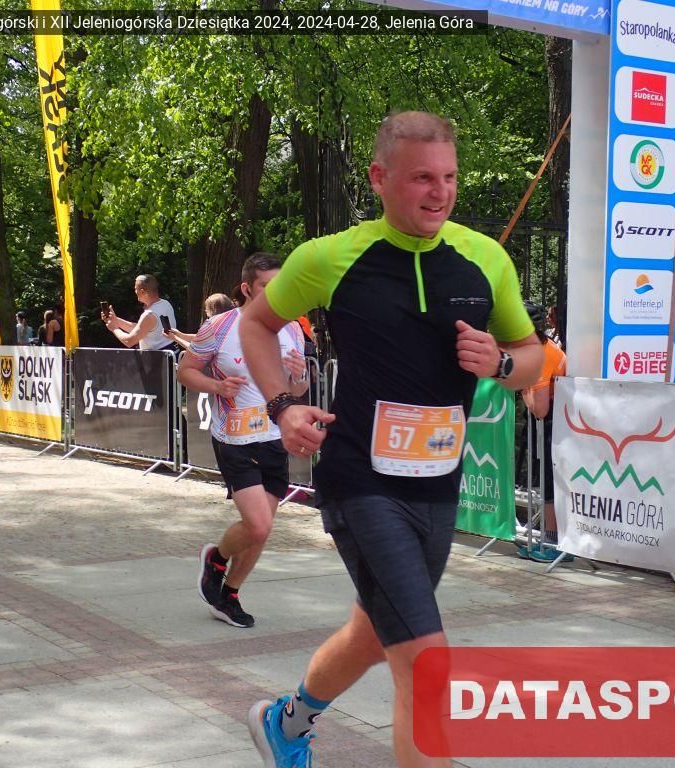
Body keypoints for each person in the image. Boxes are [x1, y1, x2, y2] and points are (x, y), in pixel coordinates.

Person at [238, 111, 543, 768]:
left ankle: (286, 724)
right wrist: (283, 406)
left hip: (438, 483)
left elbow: (532, 357)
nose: (440, 192)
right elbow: (255, 325)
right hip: (359, 480)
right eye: (422, 178)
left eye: (449, 177)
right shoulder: (329, 256)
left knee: (375, 632)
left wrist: (500, 363)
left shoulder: (484, 259)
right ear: (380, 178)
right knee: (425, 662)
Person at [178, 254, 308, 628]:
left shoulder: (291, 328)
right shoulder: (220, 326)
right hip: (235, 438)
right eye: (267, 286)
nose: (276, 292)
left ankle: (229, 595)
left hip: (274, 437)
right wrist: (217, 386)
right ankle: (216, 559)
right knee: (259, 525)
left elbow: (297, 390)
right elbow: (185, 371)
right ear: (247, 288)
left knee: (260, 530)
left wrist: (300, 377)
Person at [517, 301, 569, 564]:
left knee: (550, 482)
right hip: (553, 422)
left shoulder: (542, 355)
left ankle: (554, 542)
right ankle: (551, 540)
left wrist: (524, 386)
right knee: (547, 481)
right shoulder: (540, 349)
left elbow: (539, 409)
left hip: (553, 424)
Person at [103, 274, 177, 351]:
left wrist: (114, 328)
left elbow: (129, 341)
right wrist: (115, 320)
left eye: (136, 289)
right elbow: (142, 328)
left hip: (159, 357)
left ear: (142, 292)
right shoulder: (166, 304)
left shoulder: (149, 315)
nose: (135, 291)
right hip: (172, 353)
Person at [165, 292, 235, 349]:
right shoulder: (233, 323)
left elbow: (196, 349)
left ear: (213, 310)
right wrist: (180, 335)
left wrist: (175, 338)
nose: (205, 311)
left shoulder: (213, 326)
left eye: (207, 308)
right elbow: (200, 338)